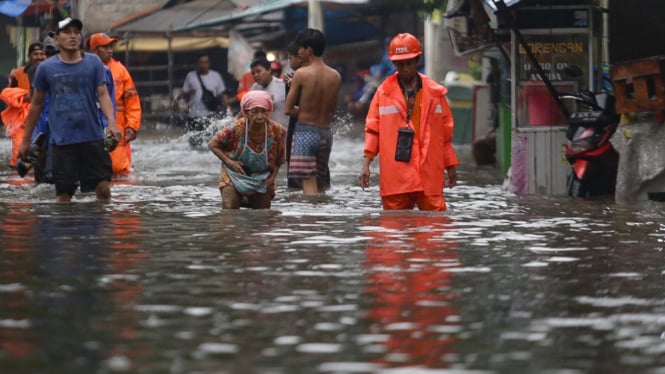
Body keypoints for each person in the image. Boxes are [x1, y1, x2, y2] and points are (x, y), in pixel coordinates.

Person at [18, 17, 121, 203]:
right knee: (64, 197)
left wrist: (112, 123)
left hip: (93, 138)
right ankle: (66, 230)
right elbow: (36, 104)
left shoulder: (94, 63)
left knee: (104, 189)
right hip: (62, 142)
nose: (72, 36)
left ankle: (103, 229)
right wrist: (26, 140)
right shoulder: (46, 69)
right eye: (67, 32)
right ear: (56, 39)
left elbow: (103, 95)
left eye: (76, 32)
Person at [358, 33, 459, 211]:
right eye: (400, 64)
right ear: (394, 64)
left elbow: (445, 134)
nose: (405, 68)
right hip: (396, 176)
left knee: (434, 231)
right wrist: (366, 164)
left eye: (409, 63)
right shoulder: (383, 93)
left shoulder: (436, 93)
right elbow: (373, 130)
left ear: (417, 61)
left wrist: (450, 165)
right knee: (394, 232)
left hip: (429, 175)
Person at [284, 28, 341, 195]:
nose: (299, 53)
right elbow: (331, 110)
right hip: (326, 133)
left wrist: (304, 110)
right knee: (321, 184)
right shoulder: (335, 76)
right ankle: (323, 218)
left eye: (300, 49)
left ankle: (311, 220)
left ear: (309, 50)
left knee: (308, 185)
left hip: (305, 133)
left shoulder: (301, 74)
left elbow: (288, 109)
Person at [208, 90, 286, 210]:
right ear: (245, 112)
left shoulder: (277, 131)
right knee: (229, 211)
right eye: (254, 112)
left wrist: (271, 179)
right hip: (233, 176)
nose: (259, 116)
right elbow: (213, 144)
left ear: (270, 111)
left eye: (264, 111)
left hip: (261, 178)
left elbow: (280, 160)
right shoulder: (236, 127)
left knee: (263, 215)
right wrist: (230, 162)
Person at [88, 32, 142, 177]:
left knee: (119, 169)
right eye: (105, 47)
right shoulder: (84, 68)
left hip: (117, 127)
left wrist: (132, 125)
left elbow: (132, 100)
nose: (110, 50)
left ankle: (120, 200)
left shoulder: (120, 70)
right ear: (94, 50)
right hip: (91, 125)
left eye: (110, 46)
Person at [4, 42, 46, 169]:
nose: (38, 57)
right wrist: (24, 97)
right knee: (20, 152)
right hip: (23, 118)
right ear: (28, 56)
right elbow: (9, 93)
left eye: (41, 54)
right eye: (35, 54)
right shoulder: (18, 73)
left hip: (43, 115)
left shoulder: (50, 70)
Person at [181, 53, 227, 131]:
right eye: (201, 62)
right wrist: (189, 93)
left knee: (210, 139)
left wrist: (226, 108)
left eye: (205, 62)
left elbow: (222, 93)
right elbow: (183, 93)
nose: (203, 65)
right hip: (194, 115)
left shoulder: (216, 76)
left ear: (209, 63)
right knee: (194, 139)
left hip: (210, 115)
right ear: (197, 64)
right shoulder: (190, 76)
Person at [249, 58, 288, 128]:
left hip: (283, 132)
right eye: (253, 73)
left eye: (258, 71)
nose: (255, 75)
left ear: (269, 70)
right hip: (264, 134)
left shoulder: (283, 86)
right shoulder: (254, 88)